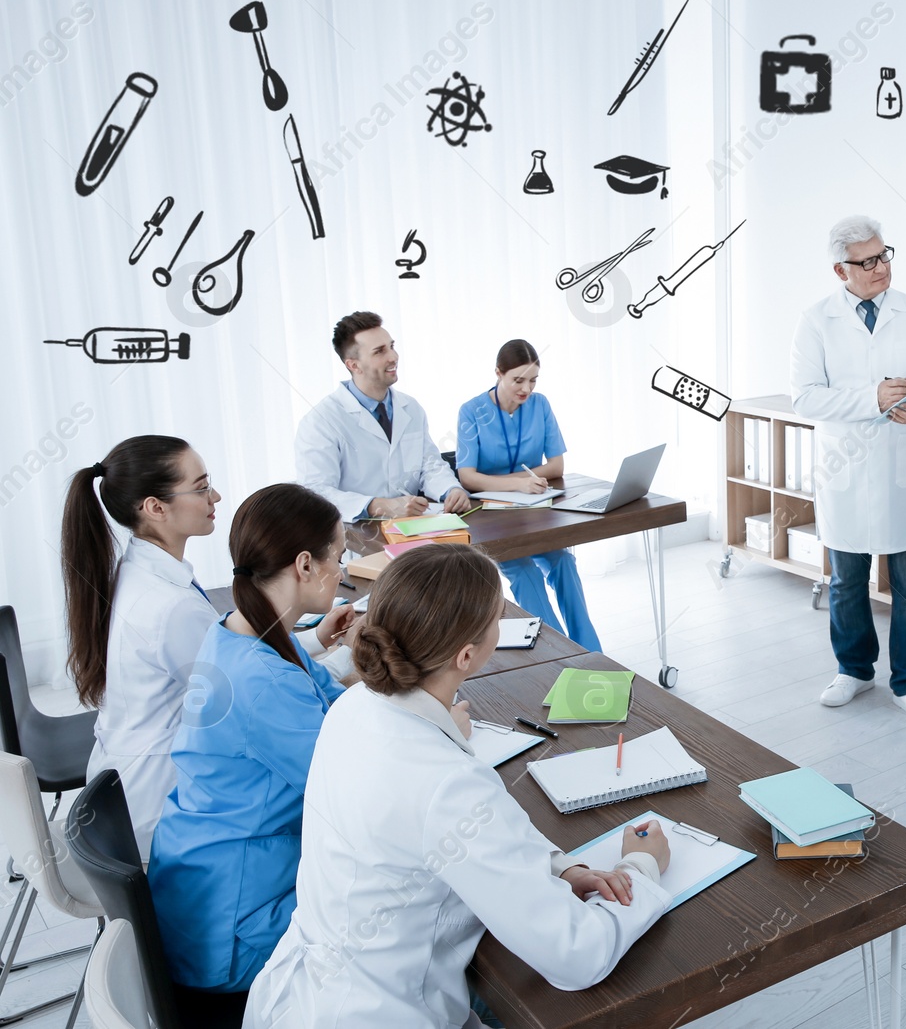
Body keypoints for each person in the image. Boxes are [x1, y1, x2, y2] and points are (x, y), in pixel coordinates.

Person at [245, 544, 670, 1027]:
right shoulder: (447, 782)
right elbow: (576, 955)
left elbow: (472, 836)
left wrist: (562, 867)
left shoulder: (353, 707)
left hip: (300, 998)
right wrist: (641, 867)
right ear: (468, 656)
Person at [61, 438, 354, 860]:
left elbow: (248, 647)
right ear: (155, 507)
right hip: (156, 806)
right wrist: (348, 657)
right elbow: (252, 669)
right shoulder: (170, 608)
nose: (215, 496)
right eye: (200, 488)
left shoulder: (149, 575)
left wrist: (319, 638)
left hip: (138, 781)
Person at [148, 483, 349, 993]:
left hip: (209, 880)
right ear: (305, 565)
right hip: (234, 932)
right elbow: (353, 791)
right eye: (340, 557)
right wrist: (438, 728)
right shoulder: (261, 679)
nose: (343, 572)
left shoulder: (241, 632)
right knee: (423, 910)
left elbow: (333, 701)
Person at [791, 215, 906, 729]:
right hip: (845, 470)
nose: (879, 268)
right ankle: (854, 669)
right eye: (866, 262)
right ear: (838, 270)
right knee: (847, 581)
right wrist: (871, 398)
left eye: (884, 255)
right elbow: (804, 396)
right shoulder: (815, 319)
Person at [454, 339, 602, 650]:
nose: (526, 389)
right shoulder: (471, 411)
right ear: (498, 373)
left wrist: (515, 481)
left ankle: (591, 651)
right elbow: (466, 476)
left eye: (533, 380)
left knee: (564, 562)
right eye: (518, 380)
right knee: (524, 571)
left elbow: (557, 465)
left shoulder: (541, 405)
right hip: (491, 518)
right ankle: (559, 651)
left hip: (535, 511)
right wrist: (519, 483)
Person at [296, 310, 471, 522]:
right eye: (379, 351)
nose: (393, 357)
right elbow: (316, 492)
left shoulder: (410, 407)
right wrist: (377, 505)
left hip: (414, 528)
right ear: (353, 365)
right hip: (358, 536)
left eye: (392, 346)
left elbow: (429, 464)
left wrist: (450, 489)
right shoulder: (321, 420)